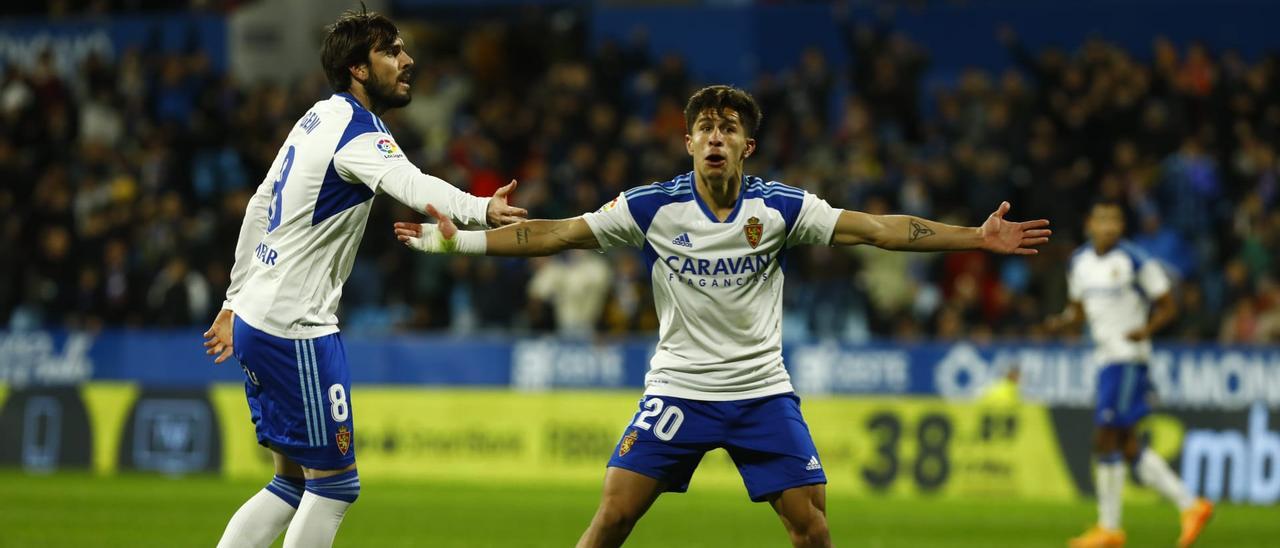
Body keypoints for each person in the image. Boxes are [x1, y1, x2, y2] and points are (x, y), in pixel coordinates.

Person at [394, 85, 1051, 547]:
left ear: (748, 146)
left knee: (813, 529)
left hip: (761, 392)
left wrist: (974, 236)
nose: (715, 136)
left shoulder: (781, 209)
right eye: (705, 127)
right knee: (614, 517)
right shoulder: (652, 207)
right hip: (679, 388)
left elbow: (879, 229)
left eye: (728, 128)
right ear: (687, 143)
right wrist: (459, 238)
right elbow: (553, 235)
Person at [199, 8, 526, 548]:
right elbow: (411, 182)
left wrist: (236, 297)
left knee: (290, 482)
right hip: (295, 329)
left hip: (262, 315)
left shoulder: (316, 118)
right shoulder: (356, 131)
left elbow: (260, 205)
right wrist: (479, 209)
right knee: (334, 487)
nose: (407, 60)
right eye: (392, 52)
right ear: (357, 68)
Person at [1045, 201, 1212, 548]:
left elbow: (1169, 304)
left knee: (1105, 437)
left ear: (1121, 225)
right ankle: (1191, 505)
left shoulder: (1135, 259)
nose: (1109, 226)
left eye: (1115, 220)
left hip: (1128, 359)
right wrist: (1060, 322)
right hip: (1106, 358)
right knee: (1128, 444)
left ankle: (1110, 529)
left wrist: (1146, 330)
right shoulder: (1079, 262)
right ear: (1090, 223)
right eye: (1103, 219)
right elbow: (1078, 313)